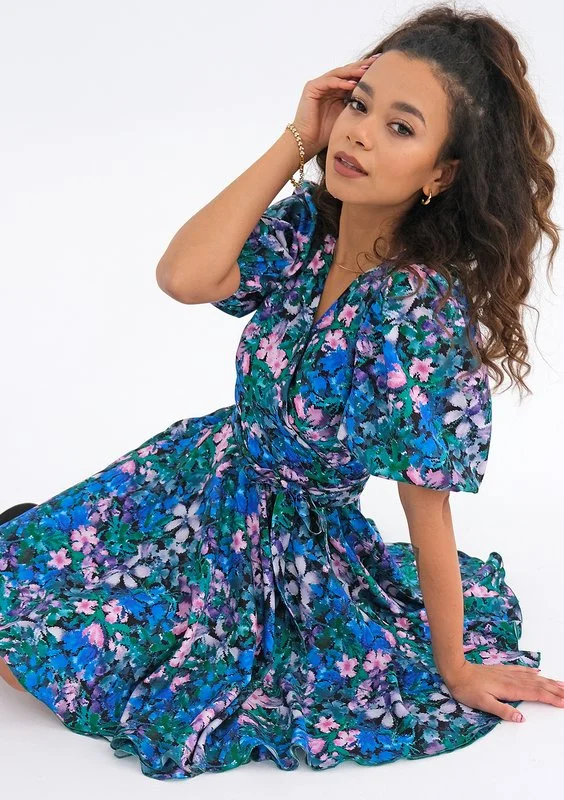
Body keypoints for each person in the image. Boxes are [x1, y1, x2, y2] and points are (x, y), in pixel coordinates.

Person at [1, 2, 563, 782]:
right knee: (20, 581)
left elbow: (425, 501)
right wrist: (297, 137)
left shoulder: (415, 313)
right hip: (193, 478)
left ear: (442, 174)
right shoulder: (307, 231)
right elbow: (184, 276)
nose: (360, 134)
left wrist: (456, 667)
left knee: (41, 656)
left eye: (400, 127)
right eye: (359, 106)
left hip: (280, 552)